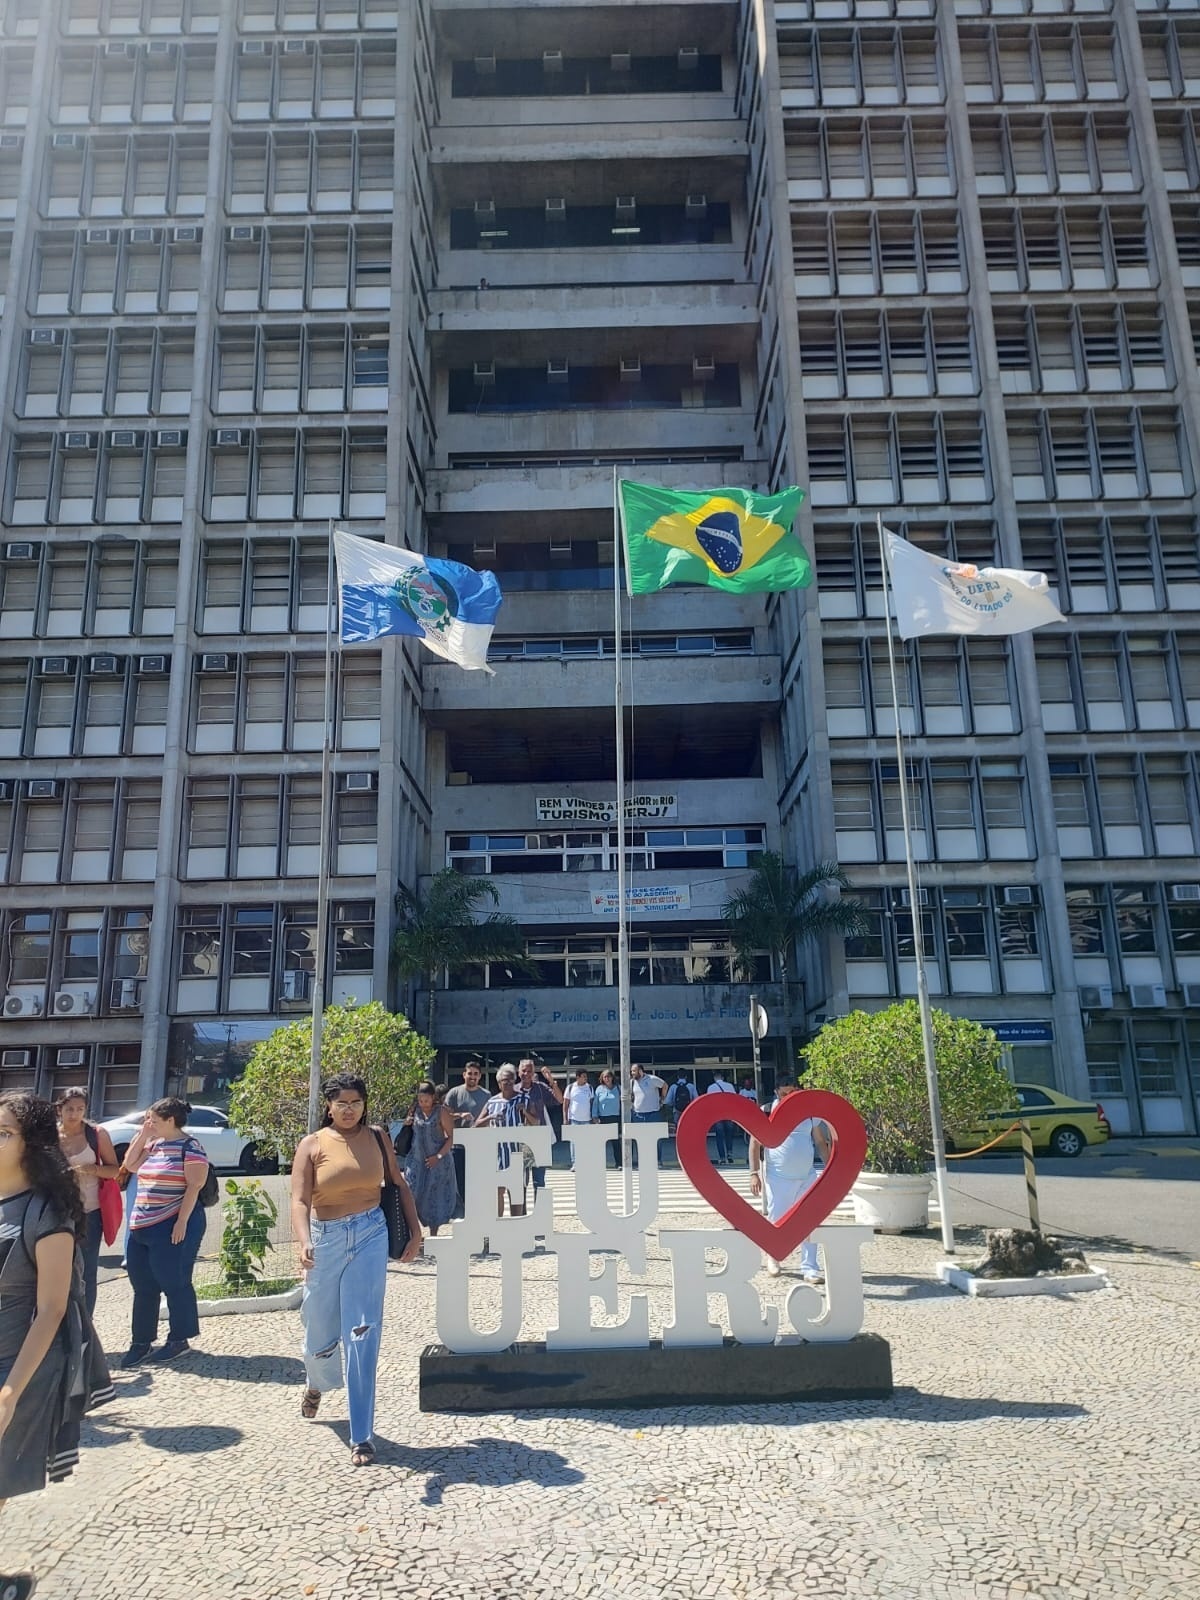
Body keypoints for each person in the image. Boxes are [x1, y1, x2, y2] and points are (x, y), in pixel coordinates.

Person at [1, 1091, 112, 1600]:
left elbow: (51, 1310)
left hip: (14, 1362)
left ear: (32, 1145)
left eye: (4, 1133)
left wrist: (10, 1392)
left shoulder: (47, 1212)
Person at [290, 1073, 421, 1467]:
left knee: (362, 1332)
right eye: (341, 1103)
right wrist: (303, 1240)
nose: (349, 1110)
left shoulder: (378, 1137)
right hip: (325, 1240)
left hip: (369, 1233)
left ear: (365, 1104)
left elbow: (397, 1184)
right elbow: (298, 1200)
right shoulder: (311, 1145)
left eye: (356, 1102)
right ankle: (316, 1381)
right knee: (317, 1326)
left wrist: (415, 1231)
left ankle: (360, 1434)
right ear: (328, 1106)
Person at [120, 1097, 211, 1367]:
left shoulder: (190, 1147)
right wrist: (143, 1135)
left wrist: (181, 1223)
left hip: (172, 1222)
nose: (149, 1124)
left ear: (171, 1121)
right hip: (143, 1224)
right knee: (143, 1285)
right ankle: (141, 1341)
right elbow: (131, 1165)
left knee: (175, 1281)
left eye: (154, 1121)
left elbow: (194, 1187)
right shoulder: (154, 1143)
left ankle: (179, 1338)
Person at [748, 1076, 832, 1280]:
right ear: (776, 1092)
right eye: (783, 1093)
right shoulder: (767, 1111)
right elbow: (755, 1143)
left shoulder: (809, 1114)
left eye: (791, 1093)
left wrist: (831, 1167)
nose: (787, 1097)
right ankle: (773, 1257)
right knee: (777, 1220)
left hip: (807, 1176)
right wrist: (754, 1173)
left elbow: (820, 1141)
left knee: (809, 1221)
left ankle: (810, 1266)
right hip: (778, 1177)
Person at [55, 1088, 120, 1317]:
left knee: (86, 1271)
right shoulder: (51, 1135)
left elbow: (114, 1170)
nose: (74, 1114)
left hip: (89, 1212)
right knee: (55, 1270)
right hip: (56, 1211)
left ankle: (85, 1324)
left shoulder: (97, 1134)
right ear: (59, 1109)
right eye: (69, 1109)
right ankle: (58, 1320)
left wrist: (92, 1169)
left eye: (80, 1109)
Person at [474, 1064, 540, 1221]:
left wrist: (524, 1111)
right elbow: (477, 1124)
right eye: (505, 1080)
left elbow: (536, 1122)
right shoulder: (492, 1102)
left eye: (511, 1079)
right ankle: (498, 1225)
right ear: (499, 1083)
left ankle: (516, 1228)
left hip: (517, 1152)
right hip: (498, 1154)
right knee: (498, 1190)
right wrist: (491, 1117)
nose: (508, 1083)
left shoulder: (524, 1098)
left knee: (516, 1192)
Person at [401, 1081, 458, 1236]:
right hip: (416, 1161)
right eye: (420, 1100)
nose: (423, 1103)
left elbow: (452, 1137)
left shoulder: (441, 1112)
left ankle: (434, 1233)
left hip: (438, 1162)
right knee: (411, 1194)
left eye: (426, 1100)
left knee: (434, 1197)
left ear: (433, 1097)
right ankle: (414, 1232)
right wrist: (407, 1122)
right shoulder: (415, 1110)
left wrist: (438, 1156)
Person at [443, 1061, 490, 1216]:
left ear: (480, 1076)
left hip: (479, 1146)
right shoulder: (454, 1093)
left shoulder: (486, 1095)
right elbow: (443, 1116)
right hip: (458, 1146)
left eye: (476, 1074)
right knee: (460, 1182)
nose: (472, 1077)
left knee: (478, 1182)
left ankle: (478, 1213)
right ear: (464, 1075)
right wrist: (459, 1115)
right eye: (470, 1073)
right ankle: (463, 1213)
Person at [514, 1057, 563, 1193]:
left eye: (529, 1071)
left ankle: (539, 1211)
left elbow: (559, 1100)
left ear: (533, 1072)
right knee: (520, 1181)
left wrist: (551, 1081)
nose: (526, 1074)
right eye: (523, 1071)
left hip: (539, 1139)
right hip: (520, 1140)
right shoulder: (513, 1090)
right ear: (518, 1072)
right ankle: (521, 1212)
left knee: (539, 1181)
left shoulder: (540, 1088)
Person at [629, 1064, 666, 1167]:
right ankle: (643, 1160)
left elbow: (664, 1085)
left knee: (656, 1138)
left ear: (640, 1071)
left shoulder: (652, 1079)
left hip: (653, 1113)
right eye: (631, 1071)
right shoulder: (632, 1082)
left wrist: (662, 1099)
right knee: (639, 1138)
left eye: (634, 1071)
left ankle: (658, 1160)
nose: (632, 1073)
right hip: (638, 1114)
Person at [706, 1071, 738, 1165]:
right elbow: (735, 1099)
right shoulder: (730, 1086)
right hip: (729, 1113)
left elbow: (709, 1102)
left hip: (717, 1114)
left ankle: (722, 1157)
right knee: (729, 1135)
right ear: (722, 1077)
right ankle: (730, 1154)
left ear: (714, 1078)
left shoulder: (711, 1087)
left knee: (719, 1136)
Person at [593, 1069, 621, 1169]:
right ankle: (599, 1163)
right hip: (602, 1118)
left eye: (608, 1076)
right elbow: (595, 1103)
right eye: (605, 1077)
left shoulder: (618, 1088)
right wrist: (594, 1116)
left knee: (616, 1142)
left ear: (612, 1077)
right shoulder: (599, 1089)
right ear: (602, 1078)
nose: (607, 1079)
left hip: (615, 1117)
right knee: (601, 1142)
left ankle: (619, 1163)